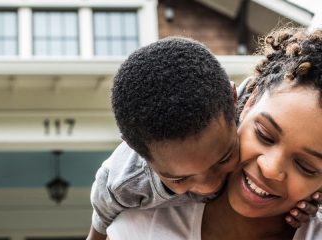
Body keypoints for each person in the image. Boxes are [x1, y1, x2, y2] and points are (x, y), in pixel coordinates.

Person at [87, 36, 320, 240]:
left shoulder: (219, 110)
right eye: (265, 135)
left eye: (306, 166)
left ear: (234, 102)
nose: (210, 185)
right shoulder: (129, 186)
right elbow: (102, 209)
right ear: (249, 103)